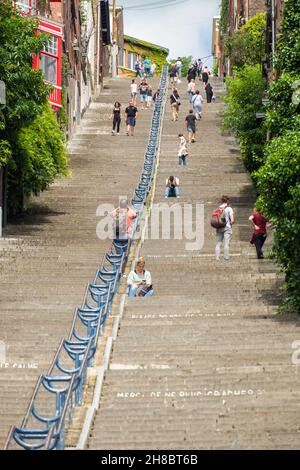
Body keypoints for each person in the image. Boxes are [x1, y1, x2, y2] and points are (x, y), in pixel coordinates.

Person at [215, 196, 234, 261]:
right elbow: (232, 220)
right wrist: (231, 223)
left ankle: (217, 257)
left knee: (218, 243)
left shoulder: (218, 208)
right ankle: (226, 257)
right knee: (226, 243)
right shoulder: (229, 208)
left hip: (219, 227)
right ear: (227, 201)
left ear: (222, 201)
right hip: (227, 227)